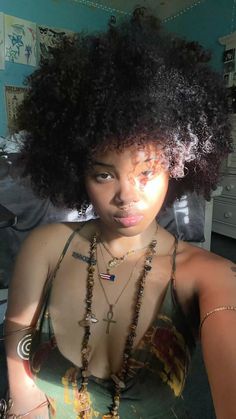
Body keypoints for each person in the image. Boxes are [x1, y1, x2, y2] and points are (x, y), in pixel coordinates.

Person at [2, 7, 236, 419]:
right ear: (76, 172)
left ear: (179, 167)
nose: (126, 196)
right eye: (104, 174)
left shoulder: (208, 276)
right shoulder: (46, 248)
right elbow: (19, 352)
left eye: (147, 172)